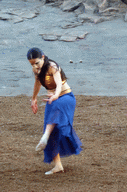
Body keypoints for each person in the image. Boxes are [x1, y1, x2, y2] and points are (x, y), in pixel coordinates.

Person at [27, 47, 82, 175]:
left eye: (37, 63)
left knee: (54, 116)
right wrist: (33, 99)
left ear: (43, 57)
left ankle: (44, 137)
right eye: (32, 64)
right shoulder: (36, 70)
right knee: (52, 131)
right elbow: (37, 83)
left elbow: (58, 85)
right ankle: (57, 165)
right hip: (52, 100)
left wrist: (56, 95)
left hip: (65, 98)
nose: (35, 66)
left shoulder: (53, 66)